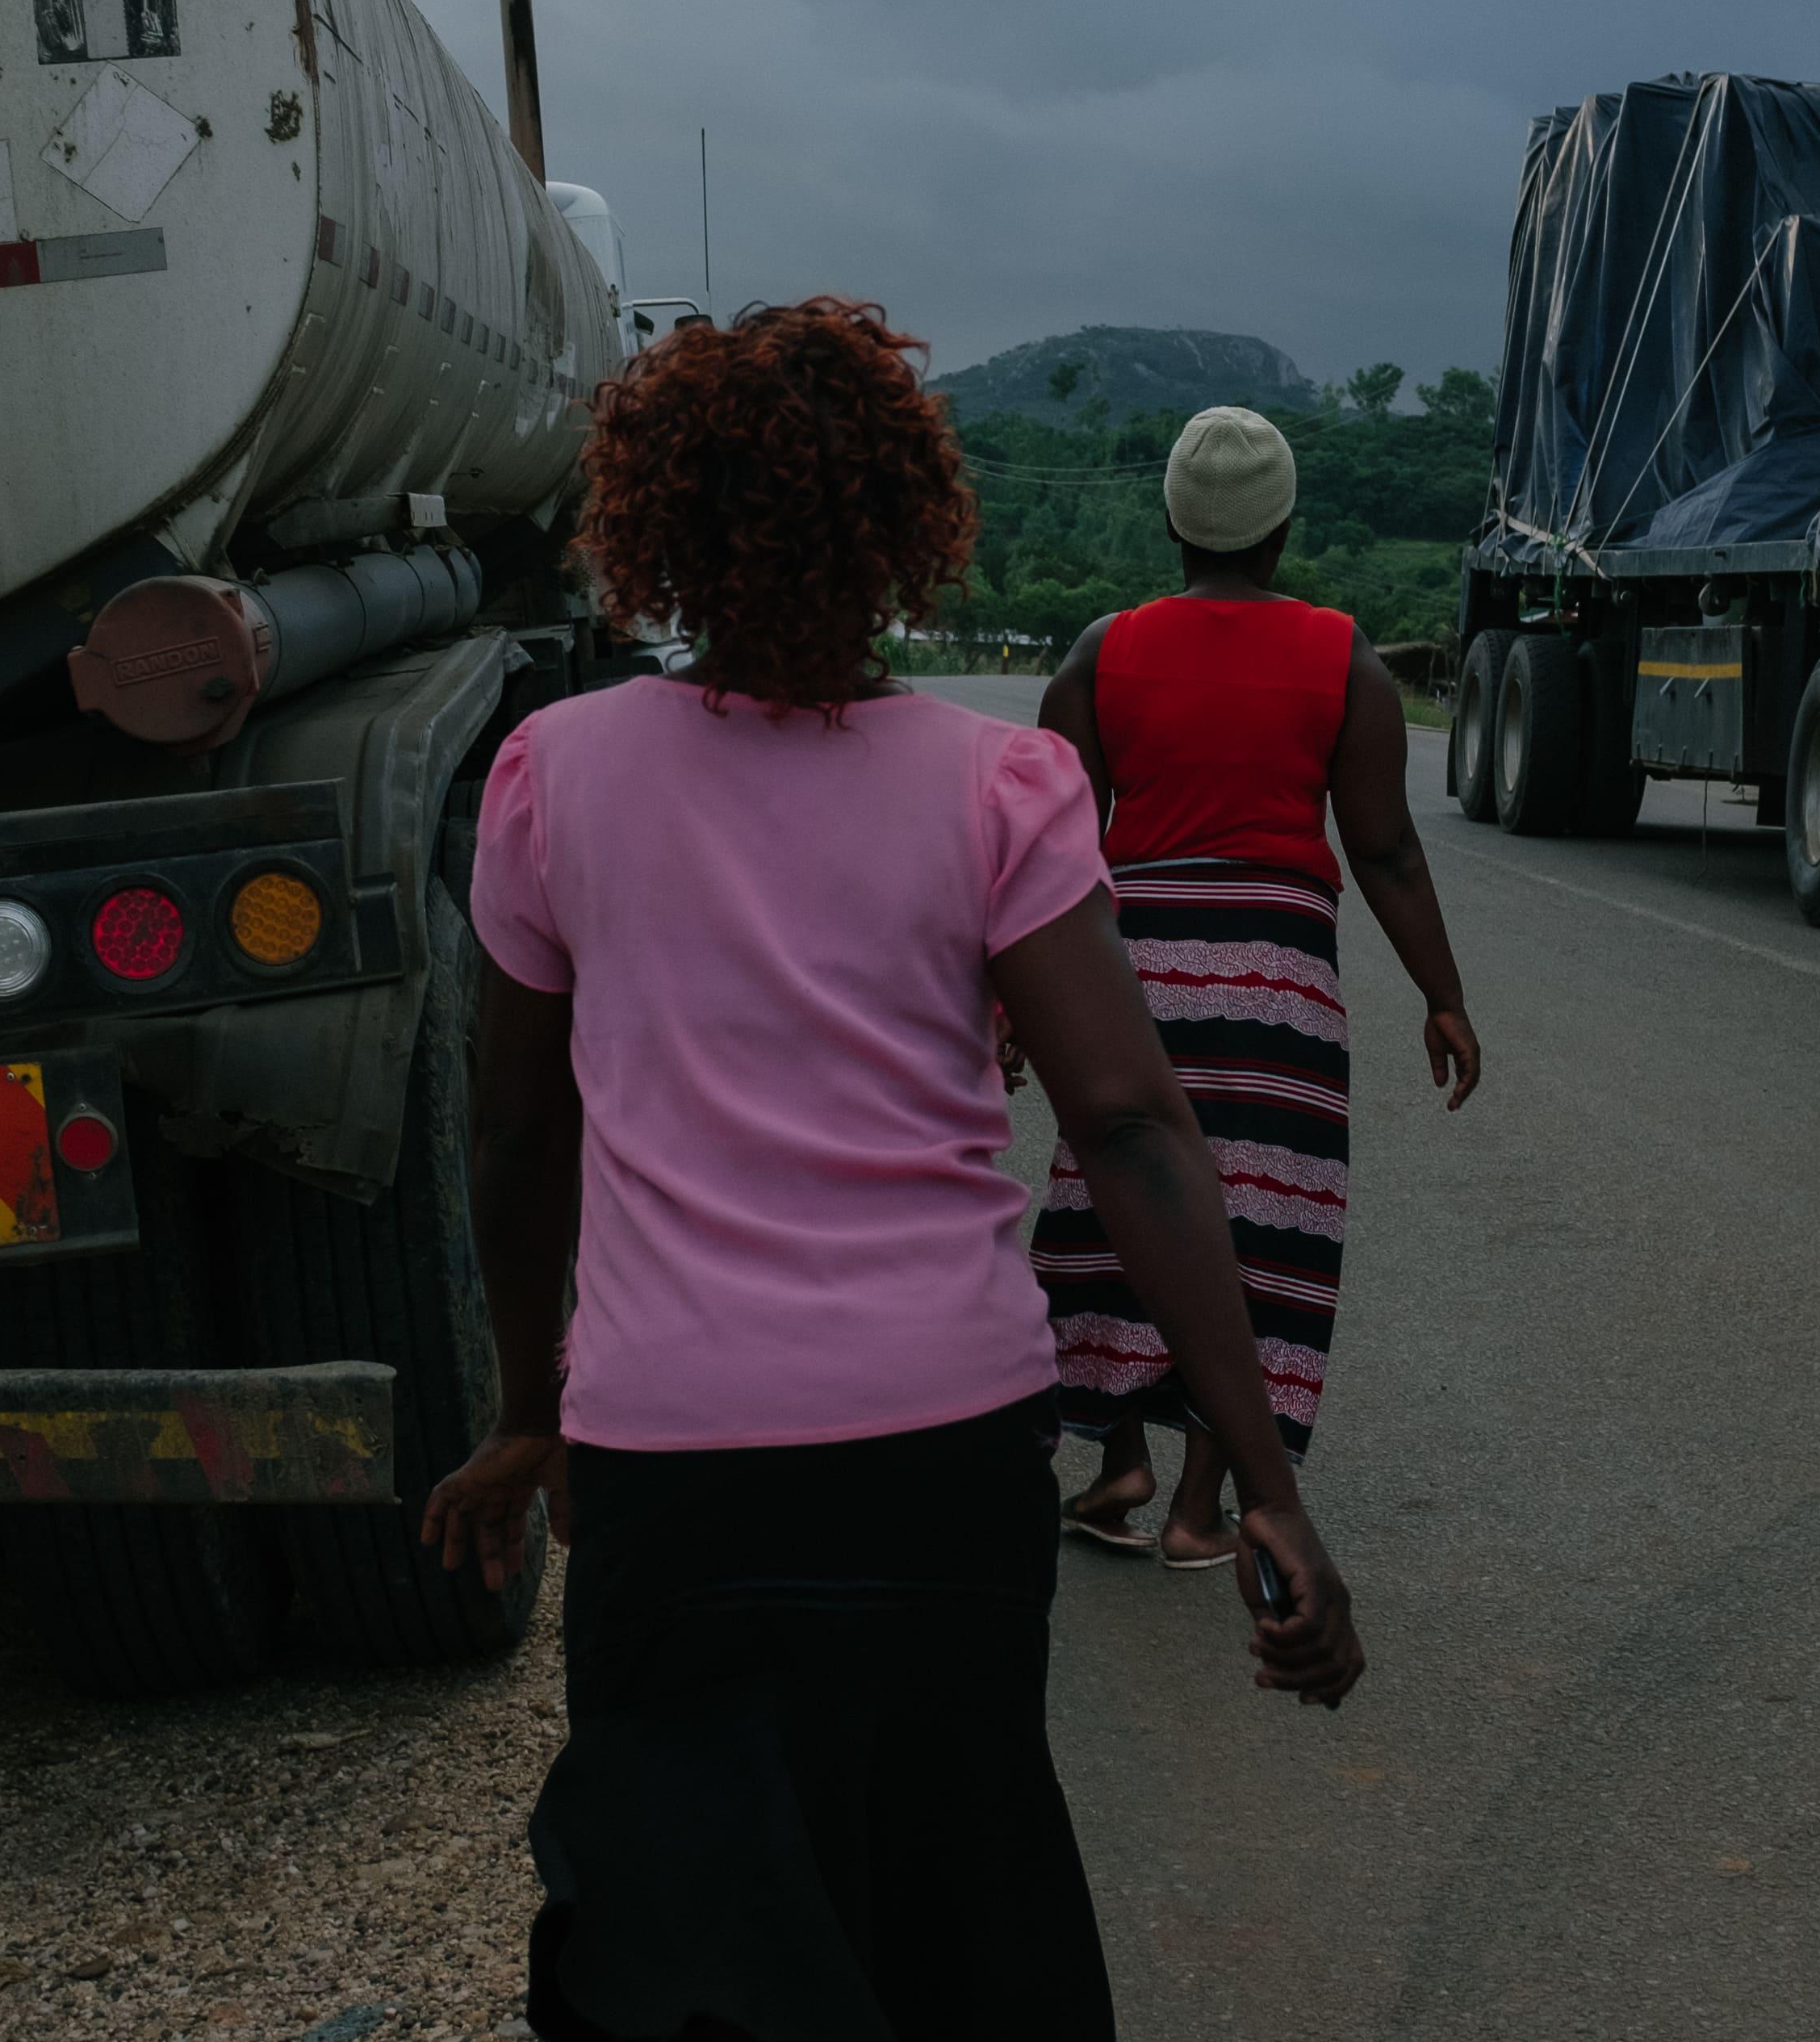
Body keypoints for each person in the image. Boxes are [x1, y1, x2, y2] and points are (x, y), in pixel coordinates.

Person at [416, 299, 1360, 2042]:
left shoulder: (559, 774)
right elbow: (1136, 1125)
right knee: (952, 1923)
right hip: (938, 1466)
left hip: (671, 1472)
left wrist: (529, 1400)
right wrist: (1262, 1472)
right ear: (906, 524)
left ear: (659, 526)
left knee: (690, 1947)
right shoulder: (994, 780)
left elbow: (515, 1131)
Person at [1032, 404, 1483, 1568]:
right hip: (1280, 976)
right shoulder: (1346, 658)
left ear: (1174, 524)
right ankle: (1198, 1509)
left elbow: (1046, 842)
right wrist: (1441, 993)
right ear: (1282, 528)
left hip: (1131, 971)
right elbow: (1385, 849)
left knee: (1114, 1204)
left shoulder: (1102, 650)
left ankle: (1115, 1459)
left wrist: (1009, 1007)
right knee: (1260, 1220)